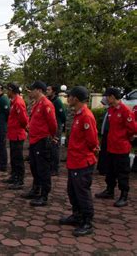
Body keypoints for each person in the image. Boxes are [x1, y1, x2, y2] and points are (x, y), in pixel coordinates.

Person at [59, 86, 99, 237]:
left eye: (69, 96)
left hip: (83, 161)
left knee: (82, 193)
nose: (67, 99)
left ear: (75, 98)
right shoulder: (78, 114)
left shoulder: (86, 116)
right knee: (72, 191)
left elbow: (92, 141)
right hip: (74, 160)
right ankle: (77, 216)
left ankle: (87, 221)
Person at [95, 88, 136, 207]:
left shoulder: (125, 111)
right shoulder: (111, 109)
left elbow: (133, 128)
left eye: (107, 96)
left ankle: (124, 195)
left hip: (121, 147)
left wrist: (128, 137)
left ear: (112, 97)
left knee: (122, 172)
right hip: (111, 146)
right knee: (110, 171)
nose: (105, 99)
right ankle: (109, 190)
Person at [22, 81, 57, 207]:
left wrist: (52, 136)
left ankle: (44, 195)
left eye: (32, 90)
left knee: (43, 168)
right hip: (34, 139)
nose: (30, 92)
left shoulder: (46, 104)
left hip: (42, 140)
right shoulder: (37, 103)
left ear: (39, 90)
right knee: (34, 166)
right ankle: (35, 189)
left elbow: (52, 124)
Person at [4, 83, 29, 190]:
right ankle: (14, 176)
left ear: (11, 90)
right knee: (14, 157)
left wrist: (23, 128)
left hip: (18, 134)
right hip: (13, 133)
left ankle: (19, 179)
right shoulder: (14, 101)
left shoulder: (18, 102)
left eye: (8, 90)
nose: (6, 92)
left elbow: (23, 119)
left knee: (18, 158)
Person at [46, 85, 67, 175]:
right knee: (49, 147)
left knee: (54, 147)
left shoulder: (57, 101)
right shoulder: (49, 100)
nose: (47, 91)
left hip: (56, 126)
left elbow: (63, 116)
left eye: (48, 90)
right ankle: (50, 166)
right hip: (50, 126)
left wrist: (60, 126)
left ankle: (55, 168)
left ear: (54, 91)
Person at [97, 97, 110, 175]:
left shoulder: (111, 110)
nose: (103, 105)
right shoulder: (107, 111)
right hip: (104, 133)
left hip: (108, 133)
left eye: (104, 103)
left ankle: (104, 168)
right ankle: (101, 167)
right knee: (103, 151)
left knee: (105, 152)